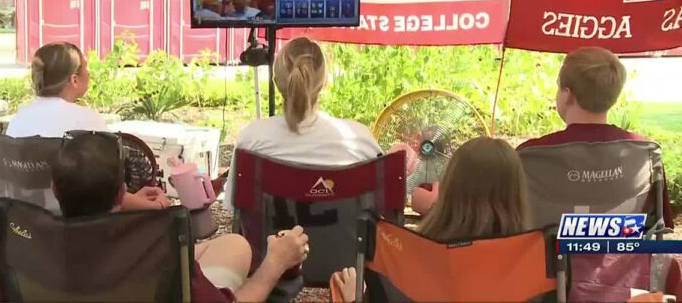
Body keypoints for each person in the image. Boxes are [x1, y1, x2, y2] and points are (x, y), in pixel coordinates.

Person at [0, 133, 310, 302]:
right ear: (122, 192)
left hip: (64, 276)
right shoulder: (157, 251)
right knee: (236, 245)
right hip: (135, 274)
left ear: (54, 189)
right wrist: (275, 263)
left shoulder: (21, 253)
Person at [333, 137, 531, 302]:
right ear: (516, 197)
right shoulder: (534, 267)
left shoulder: (404, 259)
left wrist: (355, 299)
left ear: (450, 189)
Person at [517, 47, 673, 229]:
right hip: (625, 256)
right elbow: (659, 225)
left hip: (549, 256)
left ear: (567, 95)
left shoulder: (530, 155)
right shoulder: (645, 153)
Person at [6, 42, 169, 211]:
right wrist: (156, 206)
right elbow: (106, 194)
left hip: (26, 226)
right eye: (85, 67)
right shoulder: (87, 121)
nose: (89, 73)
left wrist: (134, 198)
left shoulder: (19, 118)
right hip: (77, 228)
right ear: (74, 80)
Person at [224, 36, 382, 209]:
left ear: (276, 83)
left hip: (269, 237)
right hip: (349, 236)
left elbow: (236, 207)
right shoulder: (359, 138)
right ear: (323, 83)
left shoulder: (250, 140)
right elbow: (387, 204)